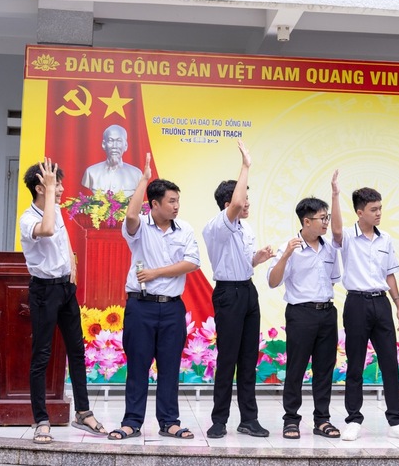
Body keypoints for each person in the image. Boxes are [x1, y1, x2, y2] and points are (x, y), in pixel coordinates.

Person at [108, 153, 201, 441]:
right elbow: (131, 216)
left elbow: (192, 263)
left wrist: (156, 272)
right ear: (155, 204)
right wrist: (144, 179)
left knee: (170, 367)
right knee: (138, 365)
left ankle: (169, 422)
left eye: (178, 201)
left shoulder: (185, 229)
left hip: (172, 308)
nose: (176, 206)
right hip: (141, 306)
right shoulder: (139, 228)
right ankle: (131, 422)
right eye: (171, 201)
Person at [19, 158, 107, 444]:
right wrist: (49, 194)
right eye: (56, 184)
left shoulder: (55, 210)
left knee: (77, 351)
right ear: (40, 188)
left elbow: (62, 238)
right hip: (44, 292)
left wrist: (72, 267)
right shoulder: (28, 218)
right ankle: (41, 420)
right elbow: (46, 230)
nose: (61, 189)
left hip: (66, 289)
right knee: (42, 356)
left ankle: (83, 412)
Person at [330, 171, 399, 442]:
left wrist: (398, 305)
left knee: (390, 362)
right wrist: (335, 194)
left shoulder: (385, 239)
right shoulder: (347, 237)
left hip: (381, 304)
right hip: (356, 303)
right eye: (373, 209)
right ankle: (353, 419)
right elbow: (336, 230)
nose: (379, 213)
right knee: (355, 364)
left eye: (380, 208)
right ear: (359, 212)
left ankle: (396, 420)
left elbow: (389, 274)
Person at [203, 140, 274, 439]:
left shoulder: (246, 228)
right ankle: (219, 420)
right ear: (228, 204)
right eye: (243, 199)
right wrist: (245, 165)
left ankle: (249, 419)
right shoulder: (218, 225)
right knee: (228, 358)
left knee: (248, 359)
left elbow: (245, 262)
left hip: (247, 291)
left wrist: (259, 258)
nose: (247, 204)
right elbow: (235, 205)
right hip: (228, 294)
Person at [266, 197, 341, 439]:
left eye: (327, 217)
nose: (326, 222)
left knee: (324, 368)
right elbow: (273, 281)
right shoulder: (290, 248)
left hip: (327, 312)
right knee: (296, 367)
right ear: (306, 221)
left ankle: (322, 419)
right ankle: (291, 419)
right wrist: (286, 256)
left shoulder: (330, 249)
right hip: (301, 313)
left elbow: (333, 279)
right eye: (322, 218)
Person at [81, 124, 142, 196]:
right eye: (110, 140)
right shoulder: (91, 172)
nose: (114, 146)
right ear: (104, 144)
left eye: (119, 141)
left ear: (125, 145)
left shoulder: (136, 174)